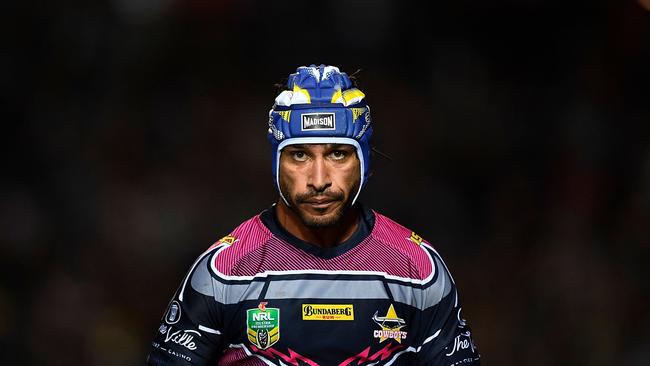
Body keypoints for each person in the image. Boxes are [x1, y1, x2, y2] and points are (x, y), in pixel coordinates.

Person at [147, 65, 481, 365]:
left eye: (338, 153)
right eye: (299, 155)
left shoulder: (419, 270)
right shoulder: (223, 273)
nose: (319, 180)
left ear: (364, 162)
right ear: (276, 162)